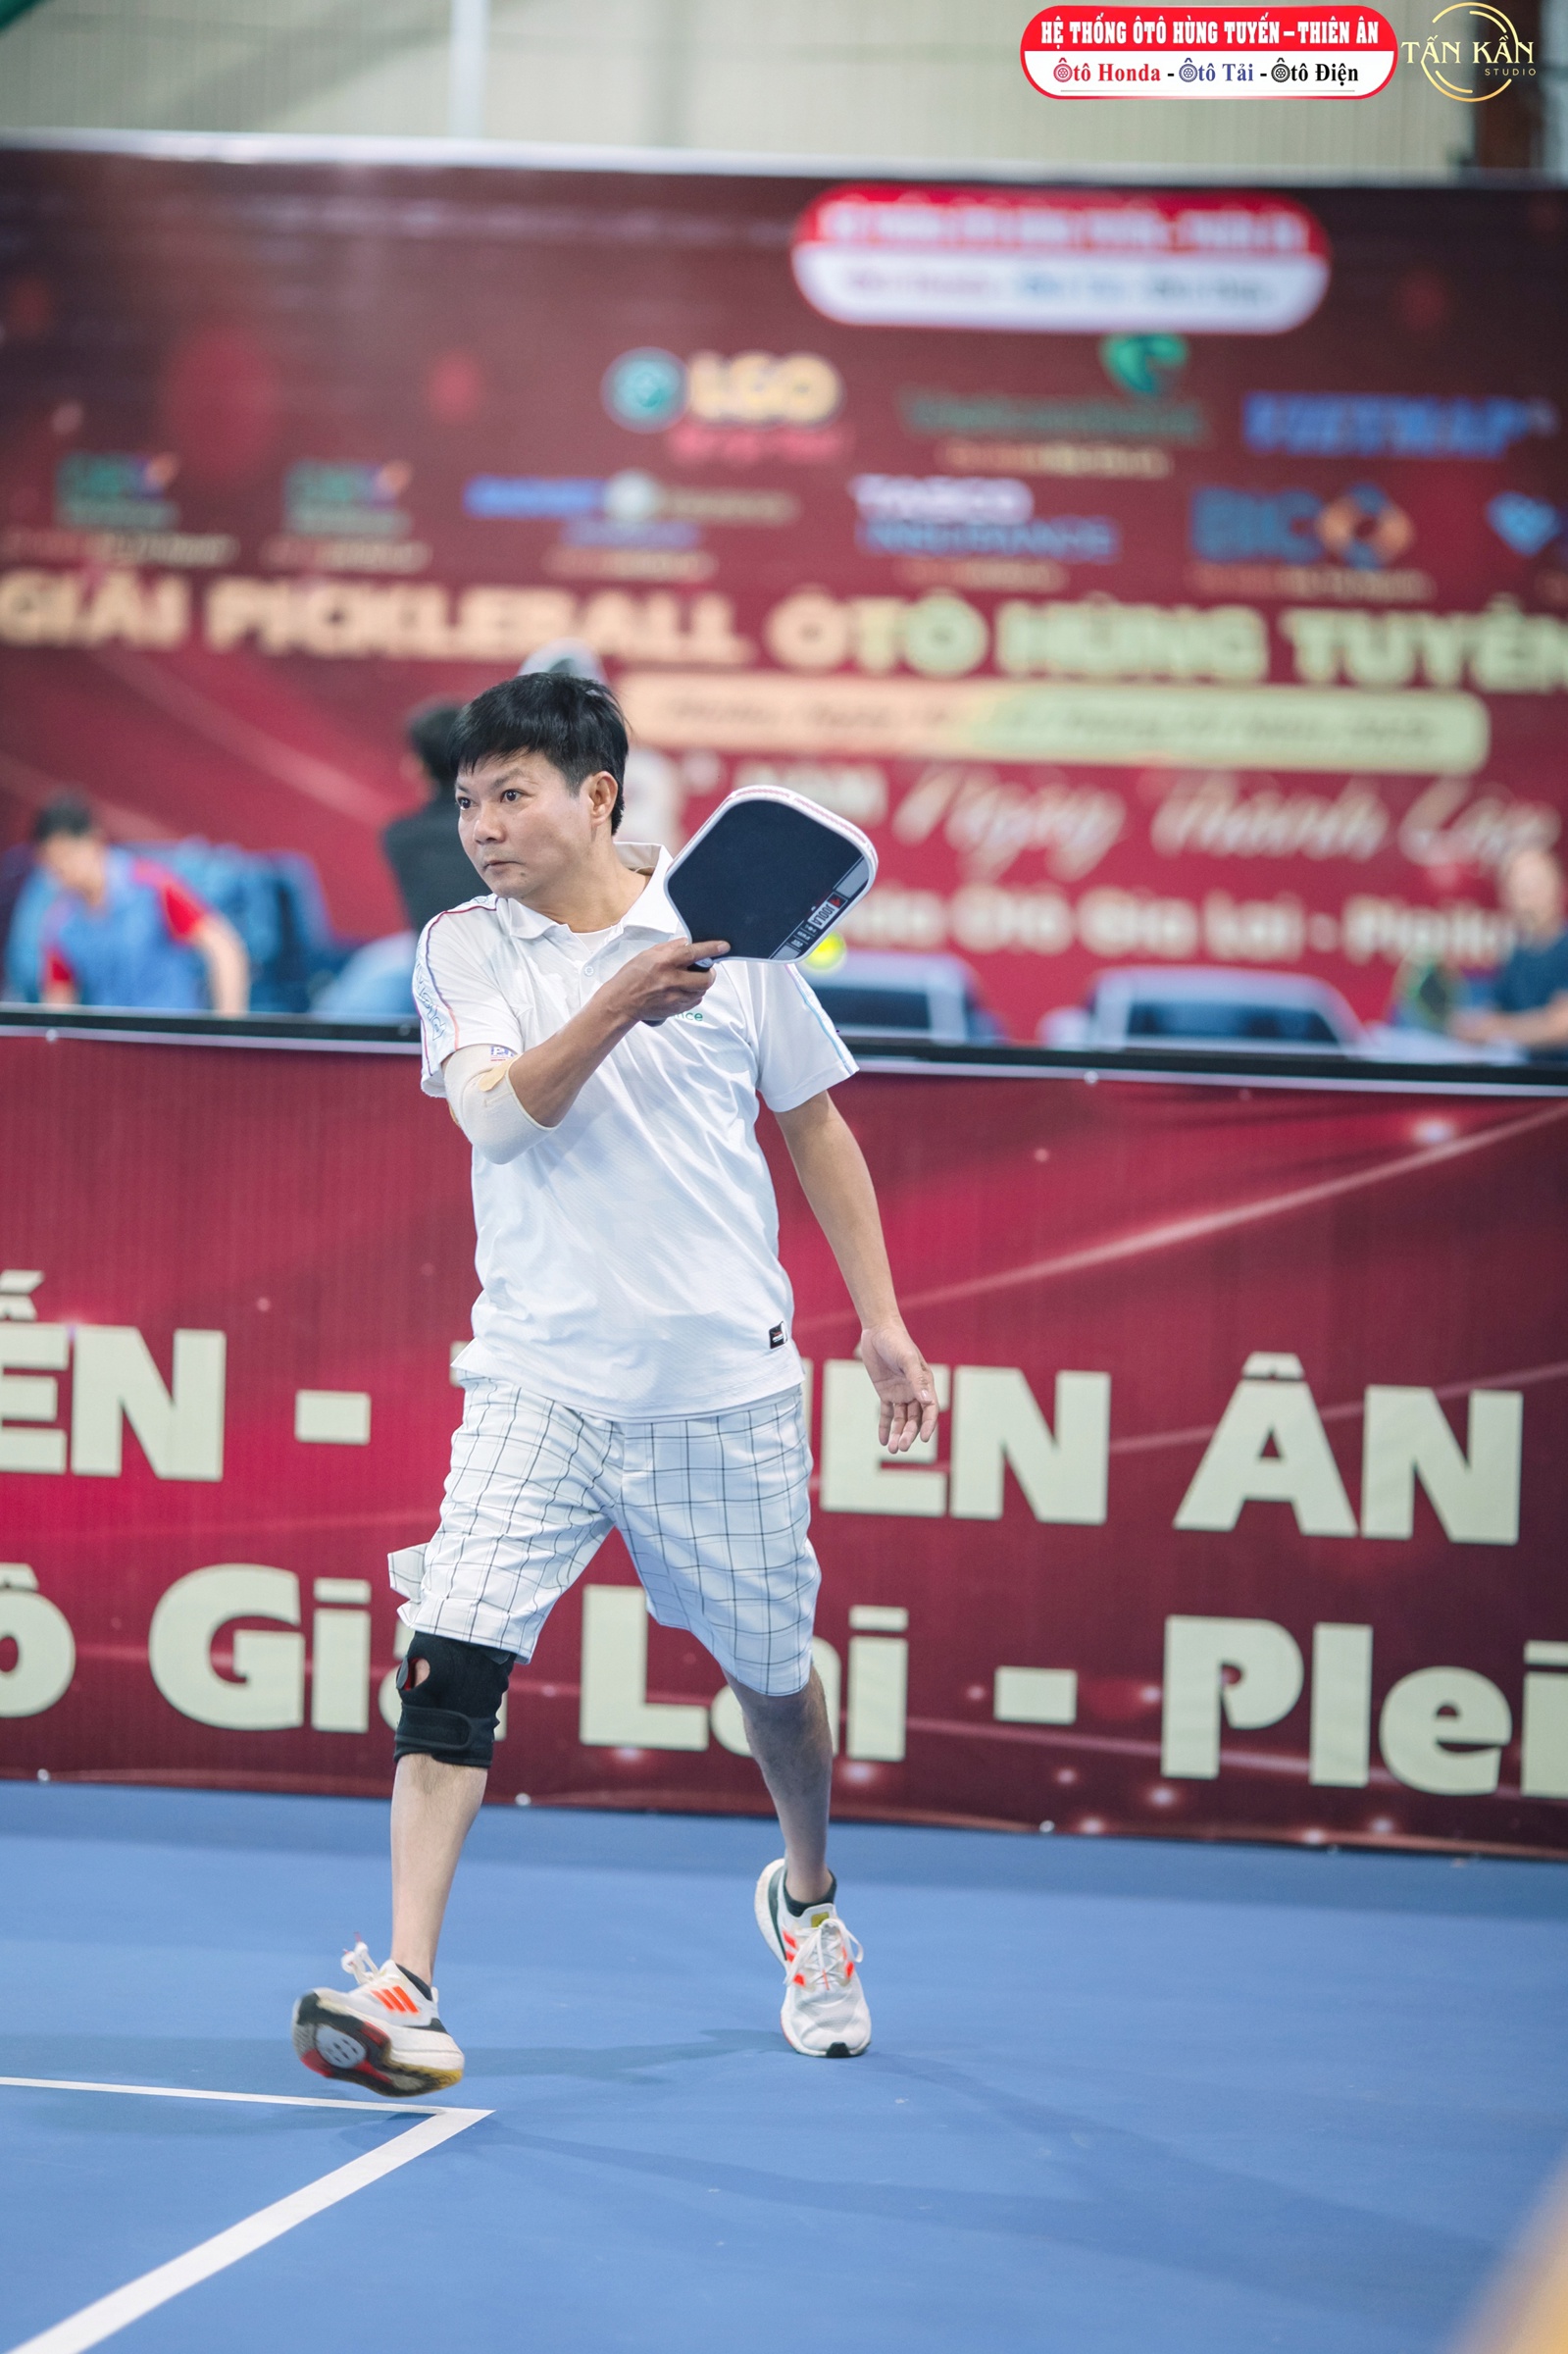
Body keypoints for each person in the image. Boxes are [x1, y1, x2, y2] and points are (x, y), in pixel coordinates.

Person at [290, 673, 936, 2096]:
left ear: (596, 797)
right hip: (537, 1380)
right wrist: (617, 1003)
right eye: (468, 800)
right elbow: (493, 1119)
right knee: (449, 1655)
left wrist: (882, 1321)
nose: (481, 826)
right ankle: (406, 1983)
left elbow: (815, 1128)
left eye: (511, 796)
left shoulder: (735, 941)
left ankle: (808, 1901)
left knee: (774, 1686)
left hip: (721, 1388)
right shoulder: (462, 946)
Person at [30, 796, 248, 1014]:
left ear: (94, 840)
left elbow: (224, 949)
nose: (64, 868)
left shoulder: (151, 887)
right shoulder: (60, 923)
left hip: (170, 1028)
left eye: (68, 855)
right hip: (111, 1034)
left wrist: (227, 1026)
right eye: (54, 862)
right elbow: (57, 1001)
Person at [1450, 844, 1568, 1057]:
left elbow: (1562, 1025)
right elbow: (1496, 1011)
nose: (1530, 899)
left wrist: (1500, 1028)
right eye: (1520, 889)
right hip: (1523, 1074)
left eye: (1537, 886)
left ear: (1560, 888)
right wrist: (1471, 1025)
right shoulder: (1517, 957)